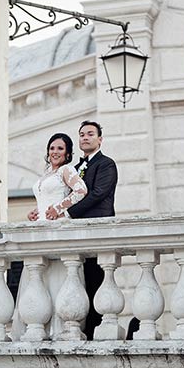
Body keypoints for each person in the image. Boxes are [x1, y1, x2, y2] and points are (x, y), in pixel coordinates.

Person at [12, 133, 88, 340]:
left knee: (57, 275)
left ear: (68, 153)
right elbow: (45, 198)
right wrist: (35, 211)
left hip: (56, 227)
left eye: (60, 149)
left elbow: (81, 190)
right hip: (41, 226)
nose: (55, 152)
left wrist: (59, 208)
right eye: (52, 148)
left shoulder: (66, 170)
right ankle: (37, 324)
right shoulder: (46, 174)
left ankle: (57, 327)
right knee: (38, 275)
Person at [57, 120, 118, 340]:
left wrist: (67, 213)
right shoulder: (75, 168)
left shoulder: (106, 164)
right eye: (81, 134)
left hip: (96, 230)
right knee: (76, 278)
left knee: (96, 278)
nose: (85, 137)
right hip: (76, 232)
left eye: (90, 134)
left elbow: (97, 194)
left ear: (100, 139)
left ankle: (94, 328)